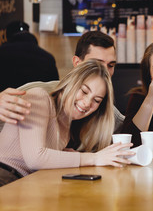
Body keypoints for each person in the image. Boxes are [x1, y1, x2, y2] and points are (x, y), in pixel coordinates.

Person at [0, 60, 134, 187]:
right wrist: (94, 158)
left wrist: (69, 155)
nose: (87, 103)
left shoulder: (67, 128)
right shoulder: (38, 97)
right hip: (5, 175)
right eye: (84, 91)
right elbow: (35, 159)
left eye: (97, 100)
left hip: (24, 184)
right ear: (71, 82)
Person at [0, 31, 125, 139]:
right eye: (96, 64)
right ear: (77, 63)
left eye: (111, 65)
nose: (105, 72)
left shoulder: (106, 110)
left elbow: (130, 135)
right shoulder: (36, 93)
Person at [0, 21, 59, 92]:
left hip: (7, 101)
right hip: (39, 101)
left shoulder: (2, 52)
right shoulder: (48, 57)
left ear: (6, 36)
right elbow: (54, 88)